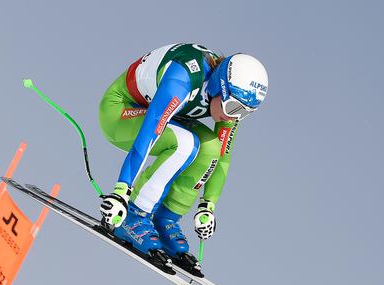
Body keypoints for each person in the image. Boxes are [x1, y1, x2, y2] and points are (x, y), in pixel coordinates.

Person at [98, 43, 268, 273]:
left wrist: (208, 206)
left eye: (245, 112)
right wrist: (121, 192)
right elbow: (150, 131)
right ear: (220, 85)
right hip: (121, 112)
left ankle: (165, 220)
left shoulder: (226, 102)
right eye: (234, 106)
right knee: (186, 144)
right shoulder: (183, 77)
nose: (233, 115)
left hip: (161, 116)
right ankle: (134, 216)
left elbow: (223, 157)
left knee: (210, 148)